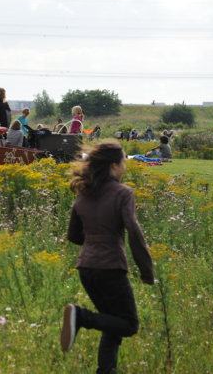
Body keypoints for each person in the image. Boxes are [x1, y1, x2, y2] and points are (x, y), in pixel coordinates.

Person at [61, 141, 154, 374]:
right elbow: (134, 232)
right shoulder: (123, 192)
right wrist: (146, 271)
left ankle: (105, 371)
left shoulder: (84, 193)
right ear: (114, 165)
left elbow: (73, 235)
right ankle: (81, 317)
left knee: (111, 322)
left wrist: (94, 244)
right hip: (110, 267)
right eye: (124, 161)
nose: (125, 166)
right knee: (130, 325)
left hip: (86, 267)